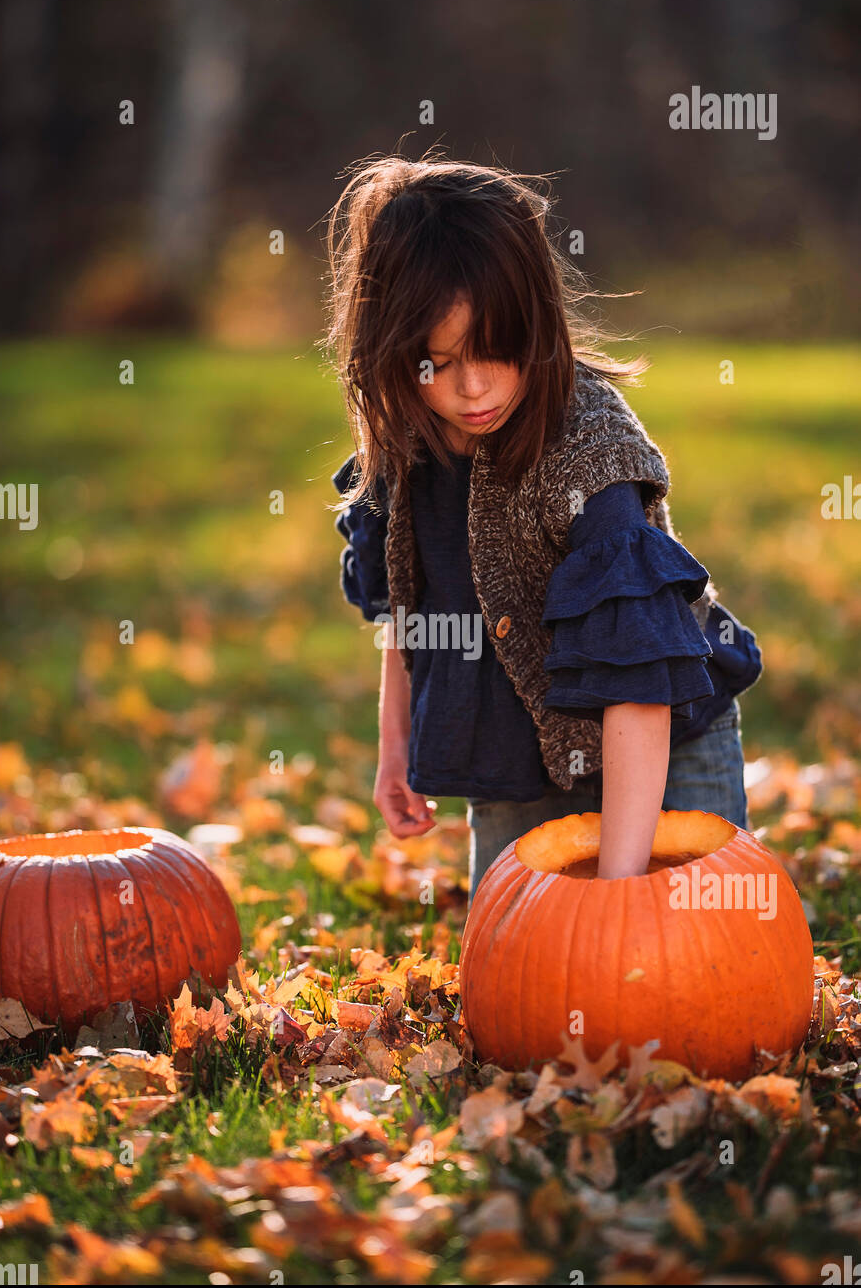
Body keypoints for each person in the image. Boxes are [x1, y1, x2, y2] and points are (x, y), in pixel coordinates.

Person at [322, 153, 763, 909]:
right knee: (523, 974)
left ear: (539, 320)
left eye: (495, 351)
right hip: (506, 760)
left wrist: (619, 888)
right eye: (436, 361)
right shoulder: (404, 446)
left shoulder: (588, 452)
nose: (471, 388)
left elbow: (639, 682)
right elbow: (408, 613)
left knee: (677, 947)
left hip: (662, 748)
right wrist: (395, 750)